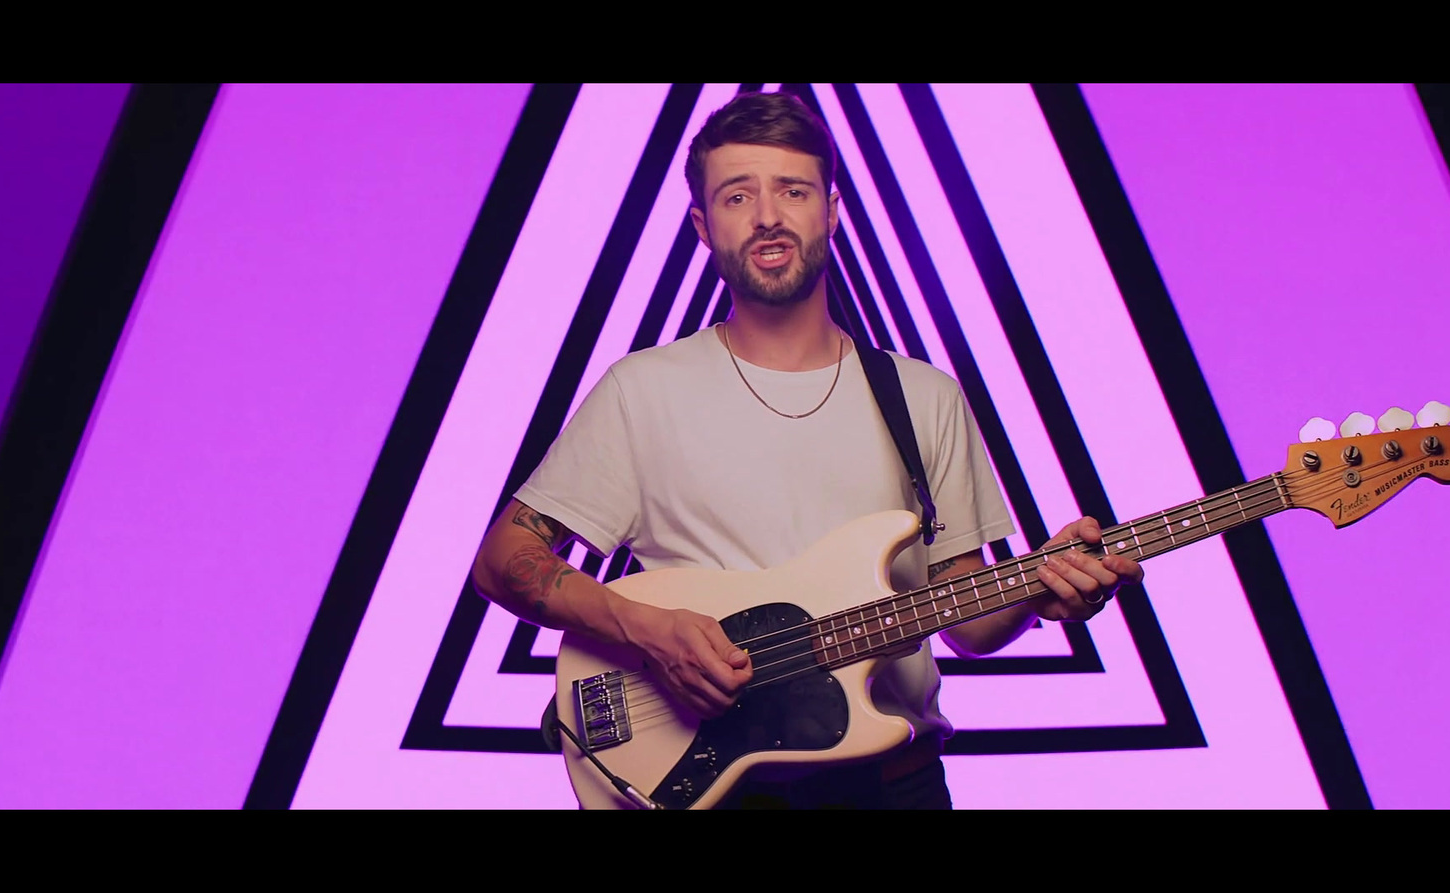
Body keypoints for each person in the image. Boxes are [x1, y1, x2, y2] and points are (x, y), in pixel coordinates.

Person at [470, 90, 1144, 809]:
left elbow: (968, 622)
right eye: (737, 195)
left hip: (893, 785)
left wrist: (1041, 592)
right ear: (702, 224)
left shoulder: (924, 398)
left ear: (830, 209)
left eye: (792, 190)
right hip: (716, 786)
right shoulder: (641, 392)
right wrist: (652, 628)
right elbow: (504, 560)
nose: (766, 215)